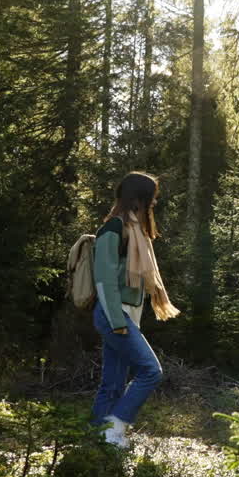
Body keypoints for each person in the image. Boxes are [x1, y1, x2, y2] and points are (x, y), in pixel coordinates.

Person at [91, 171, 180, 447]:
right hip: (112, 314)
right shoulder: (113, 229)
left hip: (123, 316)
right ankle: (115, 427)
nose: (153, 204)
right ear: (138, 199)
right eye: (151, 199)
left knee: (113, 385)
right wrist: (118, 320)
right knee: (151, 371)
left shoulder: (136, 233)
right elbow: (104, 279)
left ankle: (97, 442)